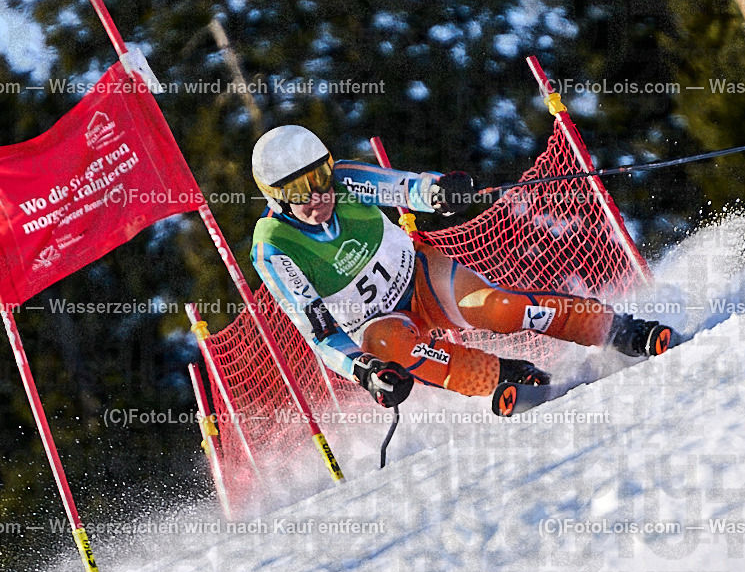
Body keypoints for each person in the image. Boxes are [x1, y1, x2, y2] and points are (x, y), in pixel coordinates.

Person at [250, 125, 675, 410]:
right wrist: (364, 372)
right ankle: (505, 377)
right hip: (380, 322)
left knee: (500, 309)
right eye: (299, 190)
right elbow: (321, 332)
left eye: (320, 177)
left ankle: (619, 330)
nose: (319, 195)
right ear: (274, 195)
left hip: (420, 278)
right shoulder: (274, 248)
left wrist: (440, 191)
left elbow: (404, 186)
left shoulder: (344, 179)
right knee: (389, 349)